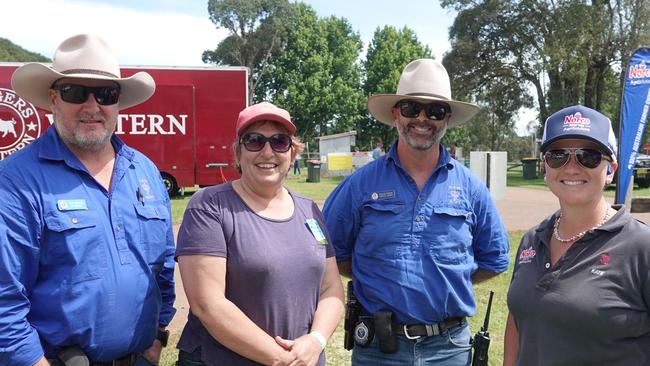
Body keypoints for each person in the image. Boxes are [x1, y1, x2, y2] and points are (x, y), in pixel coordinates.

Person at [0, 34, 176, 365]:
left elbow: (164, 267)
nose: (92, 107)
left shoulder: (145, 171)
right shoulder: (16, 180)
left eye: (106, 94)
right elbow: (3, 299)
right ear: (53, 99)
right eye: (75, 92)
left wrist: (156, 339)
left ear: (118, 102)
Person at [323, 59, 509, 365]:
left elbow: (495, 258)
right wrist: (377, 277)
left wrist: (445, 279)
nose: (422, 119)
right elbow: (332, 254)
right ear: (396, 115)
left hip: (449, 348)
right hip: (378, 350)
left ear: (447, 118)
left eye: (434, 111)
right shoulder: (359, 185)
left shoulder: (471, 188)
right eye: (412, 108)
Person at [175, 102, 345, 365]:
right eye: (254, 141)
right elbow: (208, 305)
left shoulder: (309, 210)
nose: (267, 152)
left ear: (292, 152)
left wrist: (316, 341)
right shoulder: (210, 206)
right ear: (238, 152)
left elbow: (331, 288)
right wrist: (282, 359)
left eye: (279, 142)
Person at [504, 105, 650, 365]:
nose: (572, 167)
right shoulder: (531, 241)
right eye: (558, 155)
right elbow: (517, 321)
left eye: (589, 156)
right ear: (544, 166)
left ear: (610, 170)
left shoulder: (642, 248)